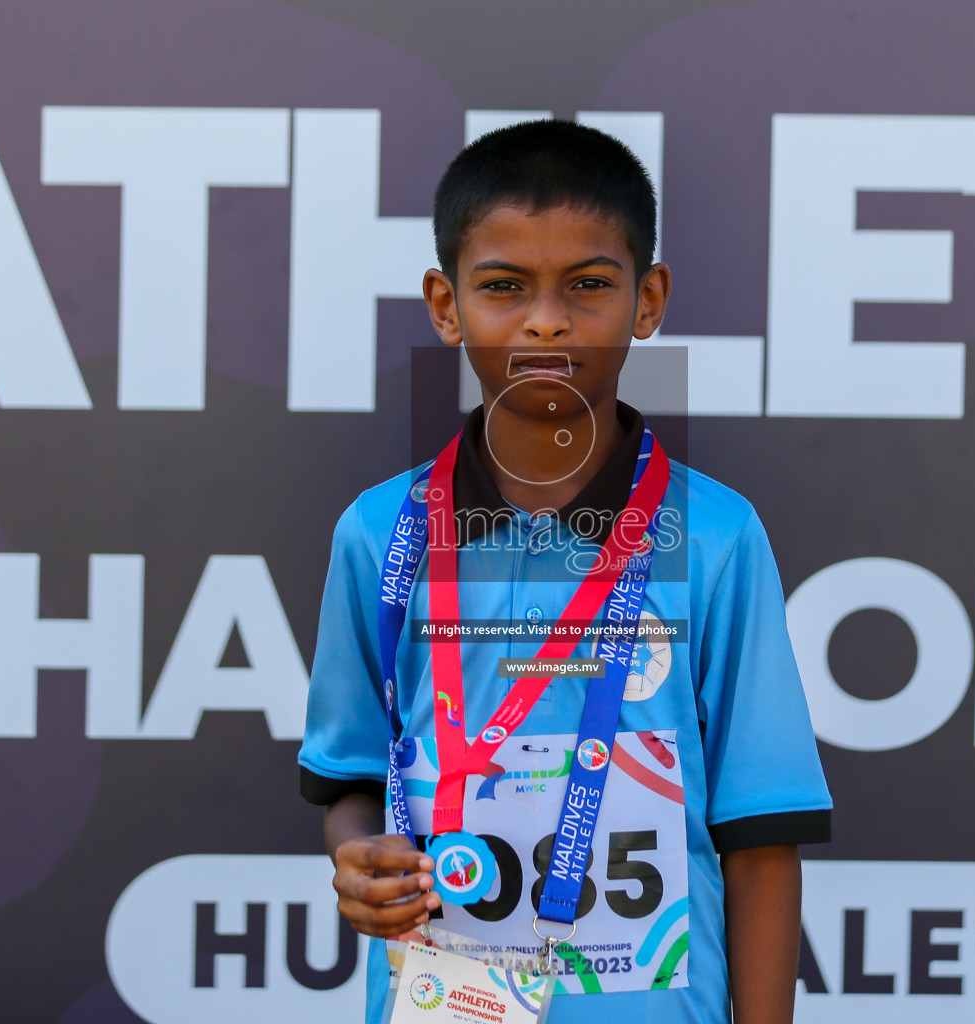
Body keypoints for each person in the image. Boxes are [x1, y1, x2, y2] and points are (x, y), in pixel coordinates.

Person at [299, 119, 831, 1024]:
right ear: (445, 303)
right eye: (505, 286)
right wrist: (357, 857)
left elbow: (761, 836)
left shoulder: (714, 537)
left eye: (588, 285)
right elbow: (351, 774)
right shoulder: (383, 532)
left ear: (649, 299)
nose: (546, 318)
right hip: (440, 1003)